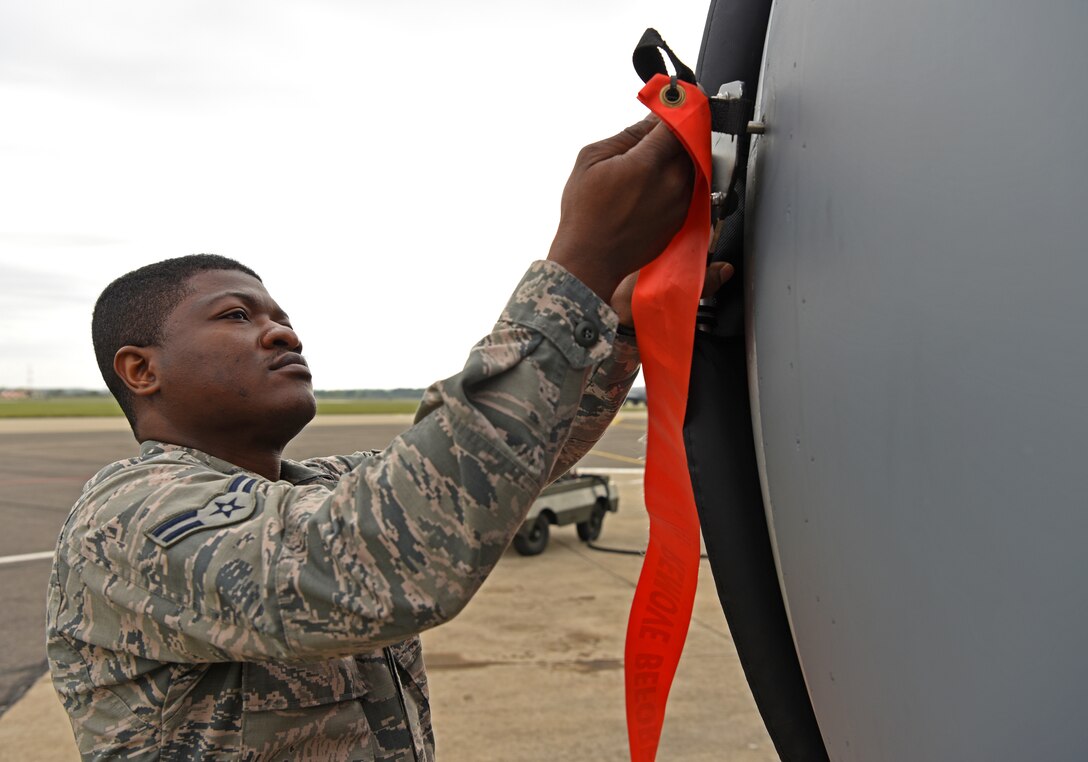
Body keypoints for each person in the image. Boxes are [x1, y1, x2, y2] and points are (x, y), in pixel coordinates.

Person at [47, 117, 732, 760]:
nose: (284, 332)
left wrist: (619, 323)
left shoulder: (305, 492)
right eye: (234, 315)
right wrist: (581, 261)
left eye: (282, 317)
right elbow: (387, 555)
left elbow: (495, 468)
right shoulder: (126, 518)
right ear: (141, 370)